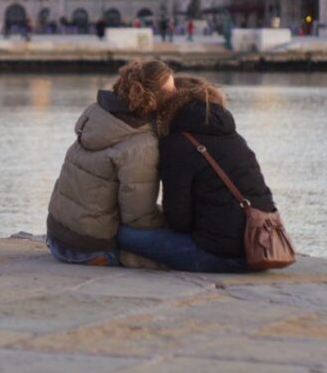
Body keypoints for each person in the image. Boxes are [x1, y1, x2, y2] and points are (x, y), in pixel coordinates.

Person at [116, 76, 278, 272]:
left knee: (120, 234)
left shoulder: (177, 143)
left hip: (219, 256)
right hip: (261, 248)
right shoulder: (233, 135)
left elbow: (178, 221)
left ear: (168, 106)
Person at [46, 59, 175, 266]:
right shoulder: (142, 145)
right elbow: (139, 220)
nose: (176, 97)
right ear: (155, 100)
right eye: (171, 93)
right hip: (87, 248)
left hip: (56, 236)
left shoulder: (97, 114)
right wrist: (172, 221)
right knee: (179, 244)